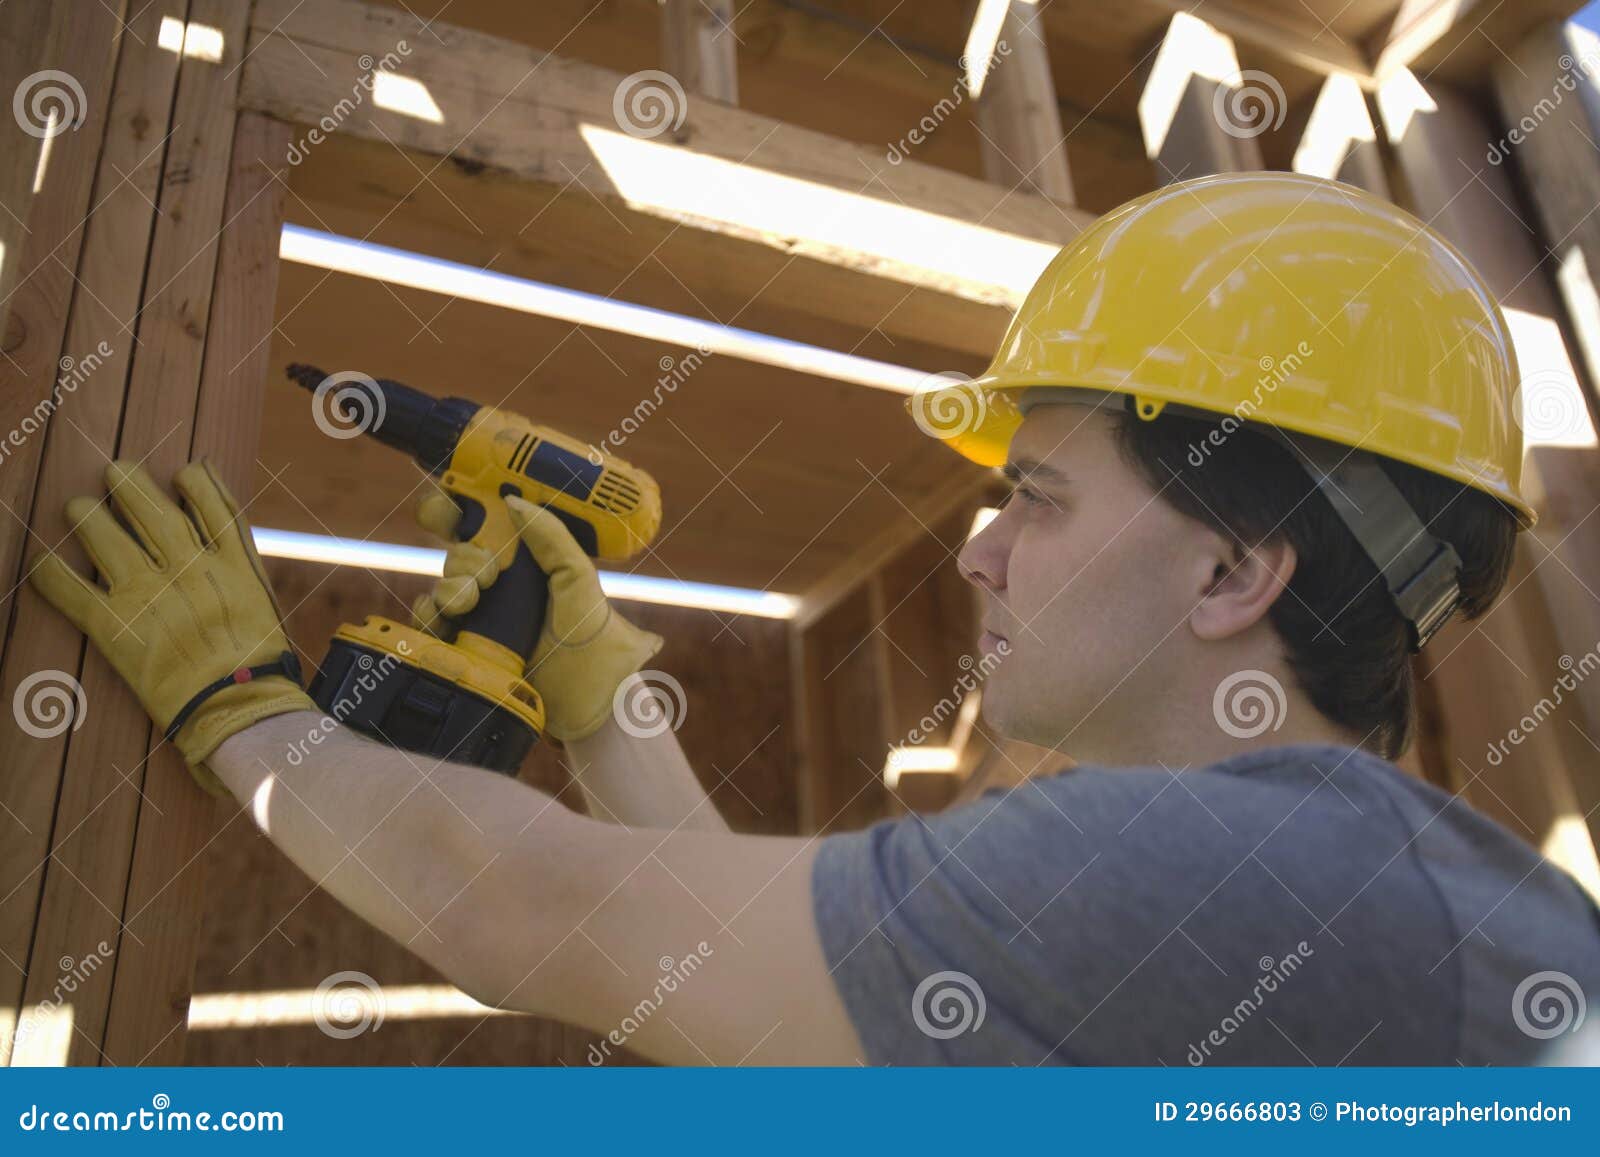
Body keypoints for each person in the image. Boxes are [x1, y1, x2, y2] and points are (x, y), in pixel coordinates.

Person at [30, 172, 1600, 1066]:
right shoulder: (1327, 889)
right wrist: (602, 701)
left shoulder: (1213, 888)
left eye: (1034, 496)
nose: (978, 557)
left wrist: (242, 697)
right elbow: (736, 986)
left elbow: (508, 909)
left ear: (1233, 571)